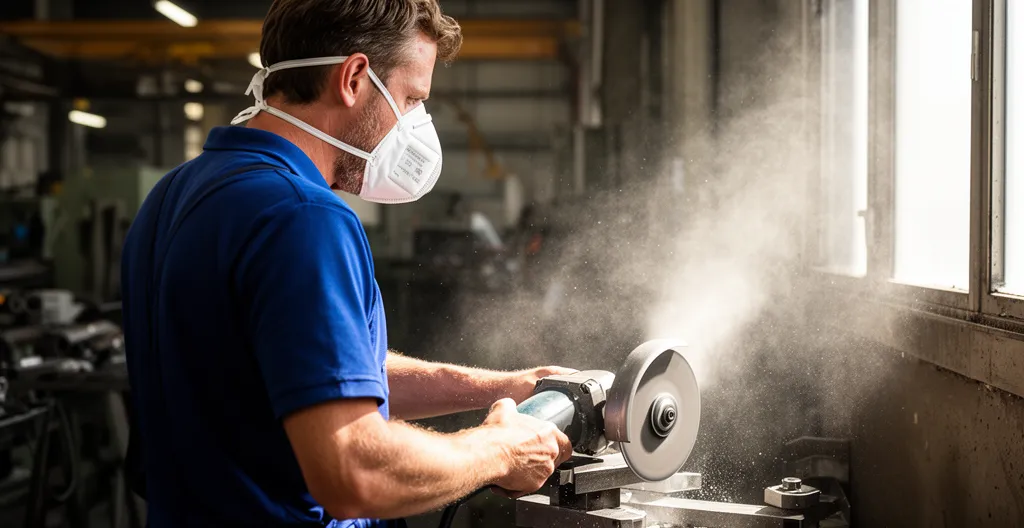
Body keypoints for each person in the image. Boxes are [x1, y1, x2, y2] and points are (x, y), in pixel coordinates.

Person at [119, 1, 574, 526]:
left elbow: (316, 371)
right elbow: (354, 473)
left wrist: (505, 388)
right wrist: (501, 449)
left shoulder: (176, 194)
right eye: (410, 98)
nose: (415, 125)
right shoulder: (303, 217)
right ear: (354, 77)